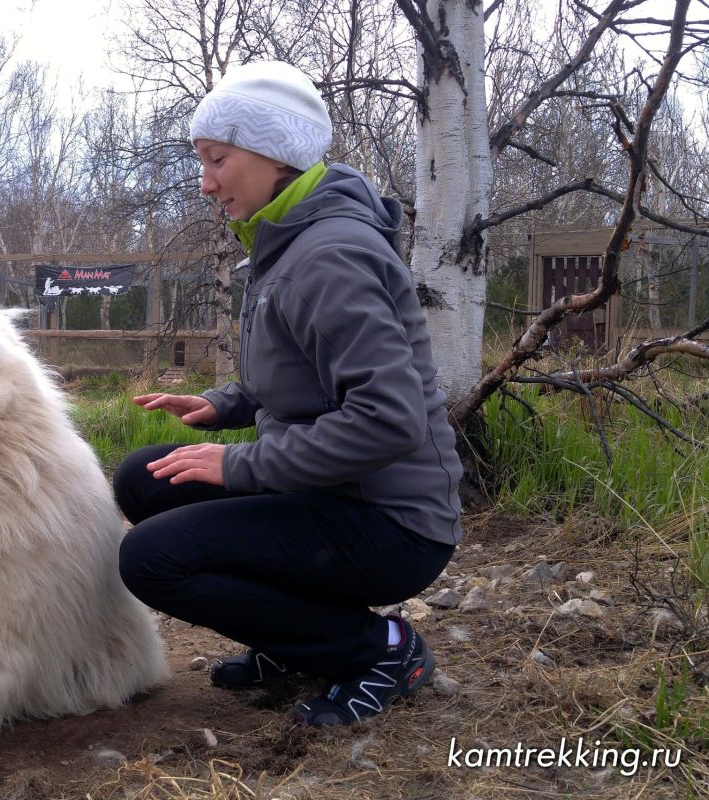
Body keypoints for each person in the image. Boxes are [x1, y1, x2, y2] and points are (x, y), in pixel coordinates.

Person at [114, 60, 463, 727]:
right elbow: (302, 375)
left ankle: (378, 651)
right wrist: (226, 405)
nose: (205, 181)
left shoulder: (330, 255)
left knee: (151, 558)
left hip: (390, 524)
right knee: (143, 480)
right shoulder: (288, 241)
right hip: (331, 493)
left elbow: (389, 421)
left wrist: (240, 463)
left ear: (275, 155)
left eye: (218, 159)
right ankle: (292, 639)